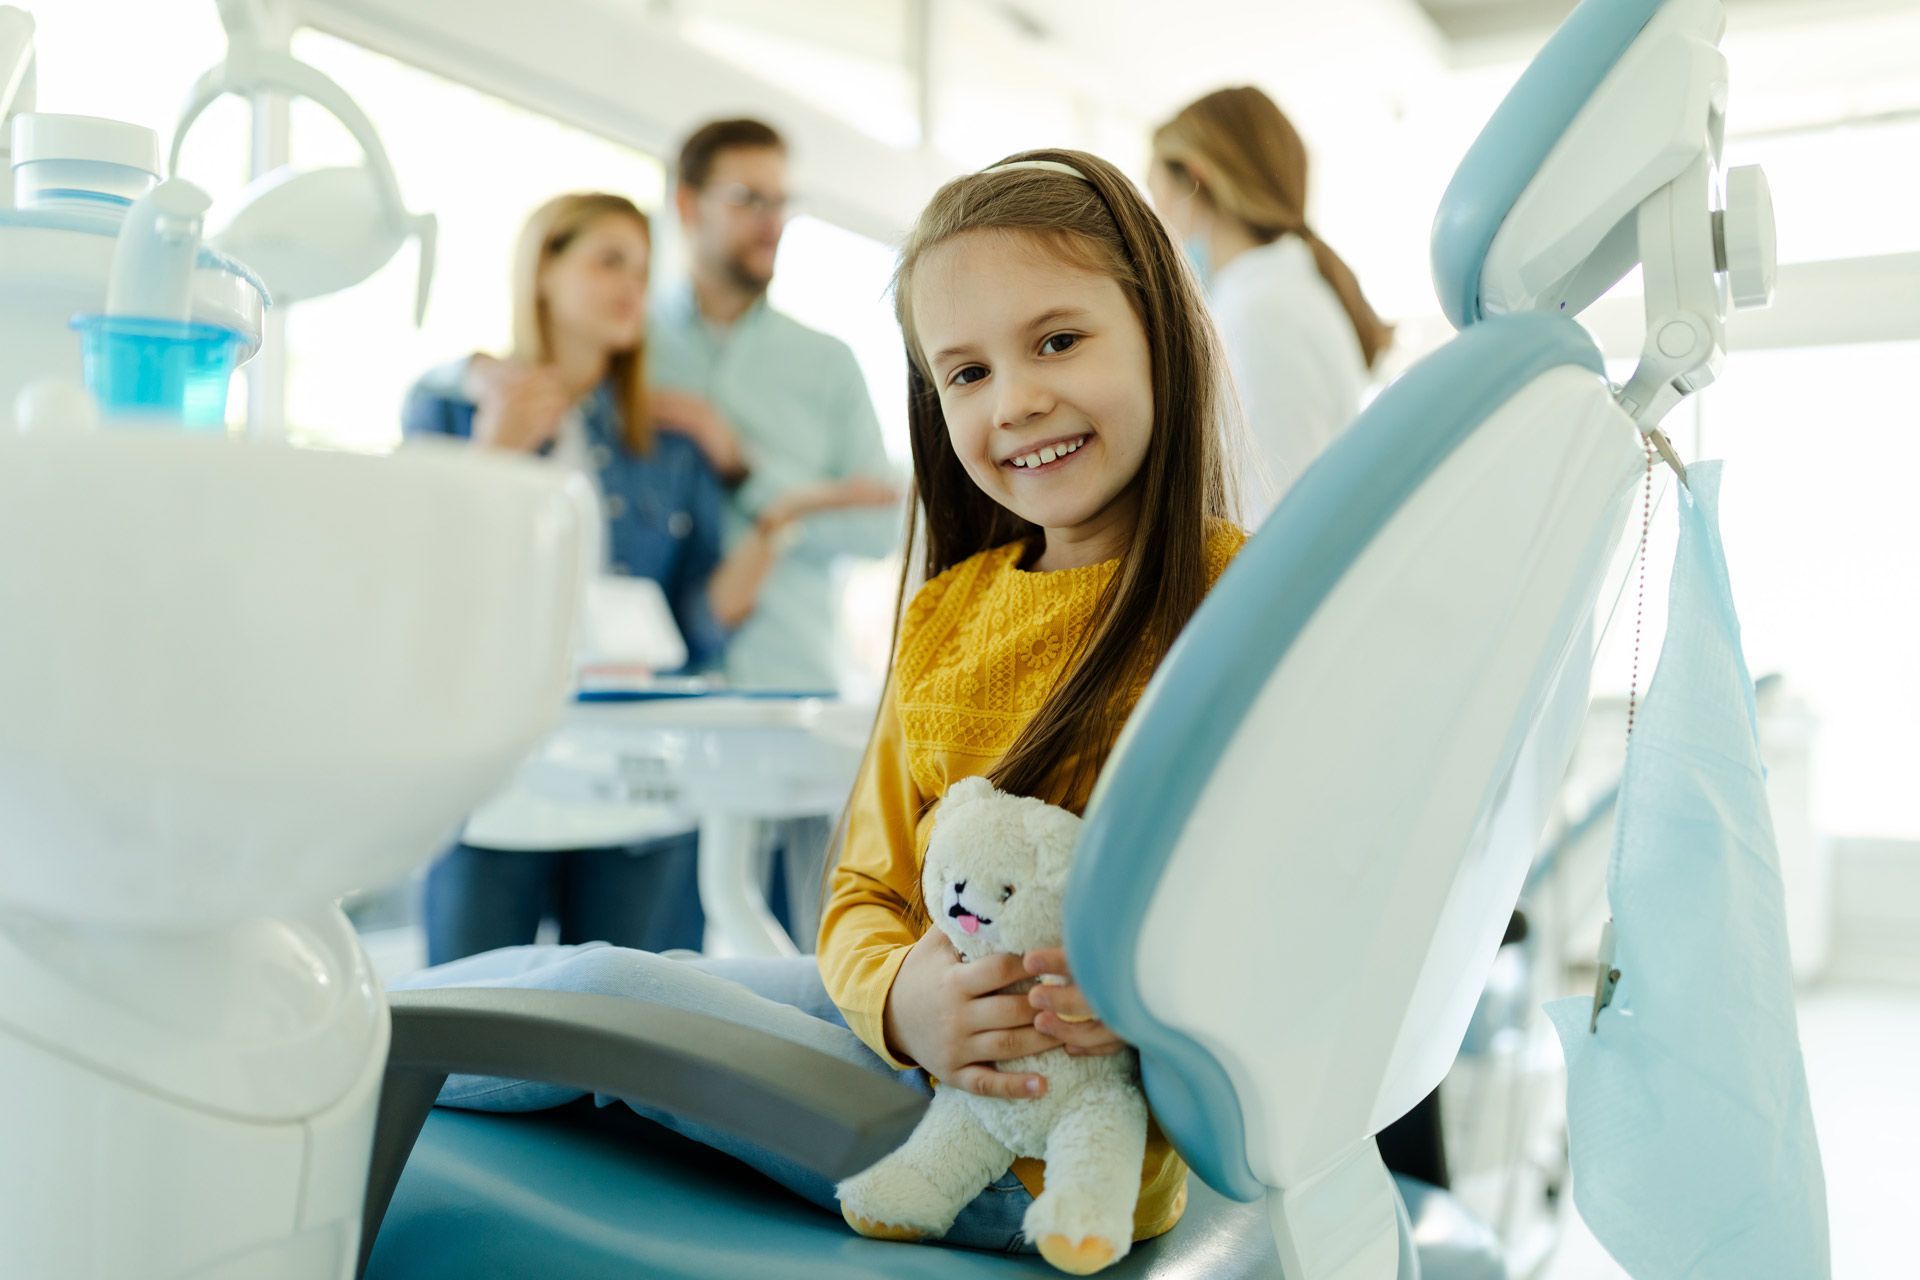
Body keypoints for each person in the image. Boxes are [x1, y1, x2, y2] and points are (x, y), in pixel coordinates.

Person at [391, 147, 1248, 1256]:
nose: (1017, 399)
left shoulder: (1234, 600)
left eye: (1059, 339)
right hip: (915, 1040)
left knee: (602, 991)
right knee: (658, 975)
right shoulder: (950, 609)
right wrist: (900, 998)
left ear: (1160, 332)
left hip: (1010, 1148)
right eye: (966, 373)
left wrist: (1144, 999)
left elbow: (1273, 899)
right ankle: (366, 1034)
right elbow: (862, 887)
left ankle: (350, 1053)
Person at [404, 192, 861, 964]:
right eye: (608, 260)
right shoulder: (453, 405)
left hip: (641, 774)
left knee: (630, 1038)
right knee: (468, 1042)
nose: (632, 288)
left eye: (644, 271)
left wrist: (774, 531)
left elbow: (692, 625)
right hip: (493, 771)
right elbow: (420, 582)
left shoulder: (669, 448)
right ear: (543, 268)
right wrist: (498, 451)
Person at [649, 117, 904, 942]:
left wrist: (750, 475)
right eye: (748, 198)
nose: (771, 222)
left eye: (782, 202)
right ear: (688, 205)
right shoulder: (632, 347)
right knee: (656, 974)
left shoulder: (826, 361)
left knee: (806, 960)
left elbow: (880, 522)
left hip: (791, 698)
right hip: (658, 703)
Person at [1149, 86, 1393, 517]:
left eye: (1159, 197)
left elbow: (1275, 508)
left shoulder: (1261, 312)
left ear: (1196, 179)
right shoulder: (1272, 292)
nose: (1161, 224)